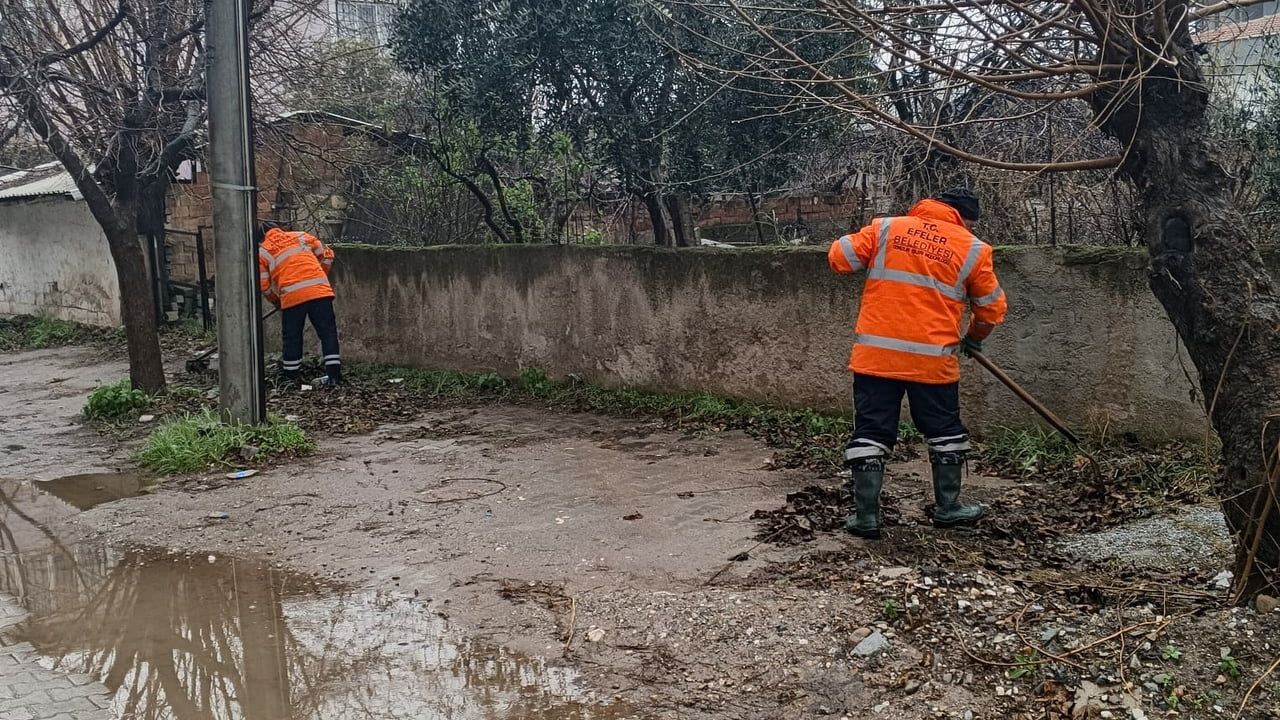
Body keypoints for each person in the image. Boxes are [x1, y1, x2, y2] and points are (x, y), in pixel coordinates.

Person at [827, 188, 1008, 539]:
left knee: (871, 433)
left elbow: (839, 258)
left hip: (877, 359)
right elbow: (992, 309)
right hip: (933, 362)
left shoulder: (886, 228)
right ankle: (949, 508)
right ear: (963, 217)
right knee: (944, 433)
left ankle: (866, 517)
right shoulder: (973, 248)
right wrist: (974, 338)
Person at [258, 221, 342, 386]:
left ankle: (290, 378)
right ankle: (334, 376)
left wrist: (276, 300)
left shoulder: (263, 251)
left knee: (292, 337)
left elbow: (264, 285)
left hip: (292, 297)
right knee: (328, 333)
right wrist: (319, 277)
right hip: (320, 292)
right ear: (280, 230)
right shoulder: (301, 236)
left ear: (260, 238)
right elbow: (328, 254)